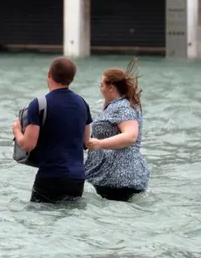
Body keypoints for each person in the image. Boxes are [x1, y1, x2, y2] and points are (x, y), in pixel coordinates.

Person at [12, 57, 93, 204]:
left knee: (40, 221)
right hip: (77, 177)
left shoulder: (39, 104)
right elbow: (86, 142)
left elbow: (28, 144)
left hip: (50, 176)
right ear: (72, 78)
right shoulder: (82, 103)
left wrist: (17, 130)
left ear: (49, 74)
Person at [85, 58, 150, 202]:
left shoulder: (122, 108)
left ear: (111, 88)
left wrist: (99, 144)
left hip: (119, 179)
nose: (100, 88)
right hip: (115, 177)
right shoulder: (119, 104)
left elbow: (131, 136)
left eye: (101, 85)